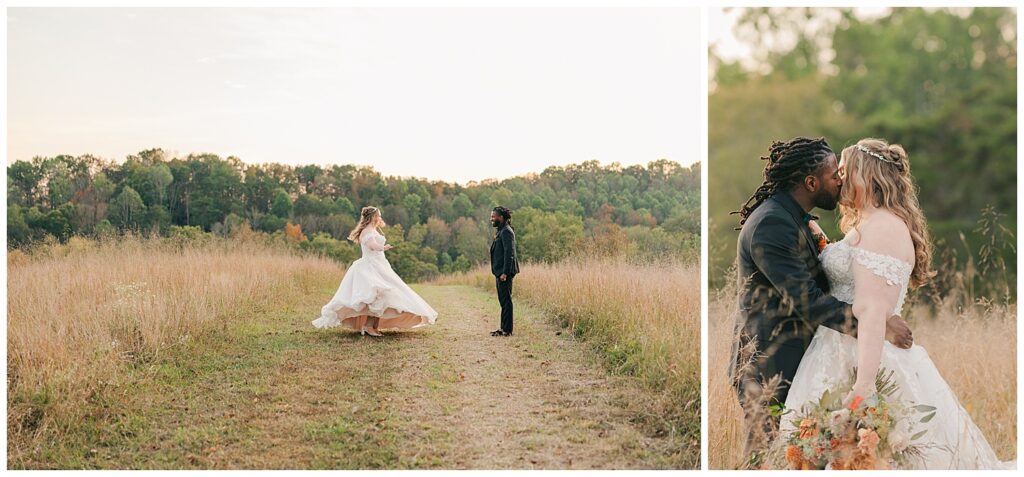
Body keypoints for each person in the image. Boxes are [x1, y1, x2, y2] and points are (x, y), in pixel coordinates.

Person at [778, 138, 1014, 469]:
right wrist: (816, 234)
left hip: (866, 358)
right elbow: (850, 269)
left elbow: (872, 309)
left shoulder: (884, 227)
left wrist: (864, 385)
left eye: (846, 171)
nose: (840, 179)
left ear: (867, 175)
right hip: (839, 350)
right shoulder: (870, 224)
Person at [729, 137, 913, 465]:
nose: (840, 180)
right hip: (769, 362)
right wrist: (879, 326)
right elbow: (808, 301)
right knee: (766, 456)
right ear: (811, 182)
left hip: (806, 358)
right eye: (834, 175)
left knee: (808, 457)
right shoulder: (772, 223)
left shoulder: (796, 219)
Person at [311, 206, 437, 336]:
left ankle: (373, 326)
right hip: (370, 266)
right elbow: (372, 246)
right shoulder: (367, 231)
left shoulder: (373, 229)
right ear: (372, 217)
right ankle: (368, 326)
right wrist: (383, 247)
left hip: (379, 265)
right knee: (377, 295)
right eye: (378, 215)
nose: (380, 218)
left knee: (383, 297)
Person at [489, 206, 519, 337]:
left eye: (493, 217)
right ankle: (503, 328)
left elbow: (509, 253)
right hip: (499, 271)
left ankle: (507, 330)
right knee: (503, 300)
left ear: (500, 217)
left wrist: (505, 273)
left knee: (506, 301)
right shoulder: (501, 231)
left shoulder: (506, 231)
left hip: (504, 272)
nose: (491, 219)